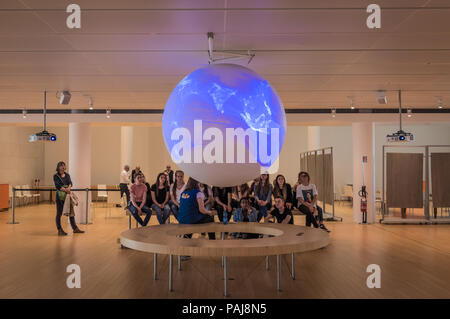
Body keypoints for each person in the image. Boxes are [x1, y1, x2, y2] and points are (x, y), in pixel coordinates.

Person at [53, 161, 84, 236]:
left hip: (67, 196)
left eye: (64, 165)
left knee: (71, 212)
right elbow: (57, 186)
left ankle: (75, 228)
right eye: (61, 165)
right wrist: (66, 190)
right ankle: (59, 229)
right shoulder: (56, 176)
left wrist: (69, 188)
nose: (63, 167)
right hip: (60, 197)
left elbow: (70, 183)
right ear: (58, 167)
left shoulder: (67, 175)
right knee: (59, 213)